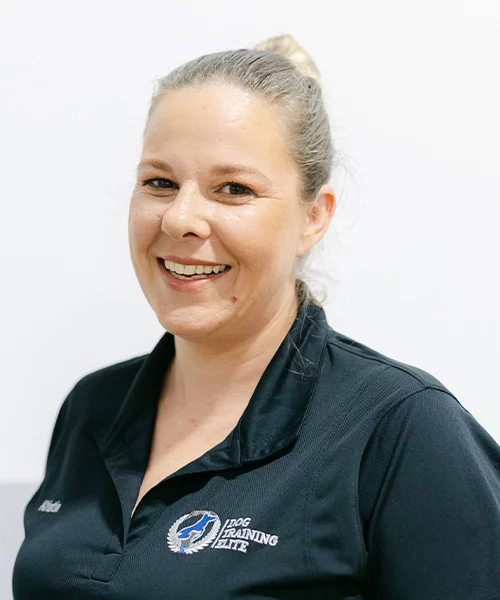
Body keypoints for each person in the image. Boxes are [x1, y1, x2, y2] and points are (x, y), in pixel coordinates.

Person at [12, 34, 500, 600]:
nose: (180, 218)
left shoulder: (401, 428)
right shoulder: (91, 407)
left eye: (233, 189)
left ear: (313, 217)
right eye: (159, 182)